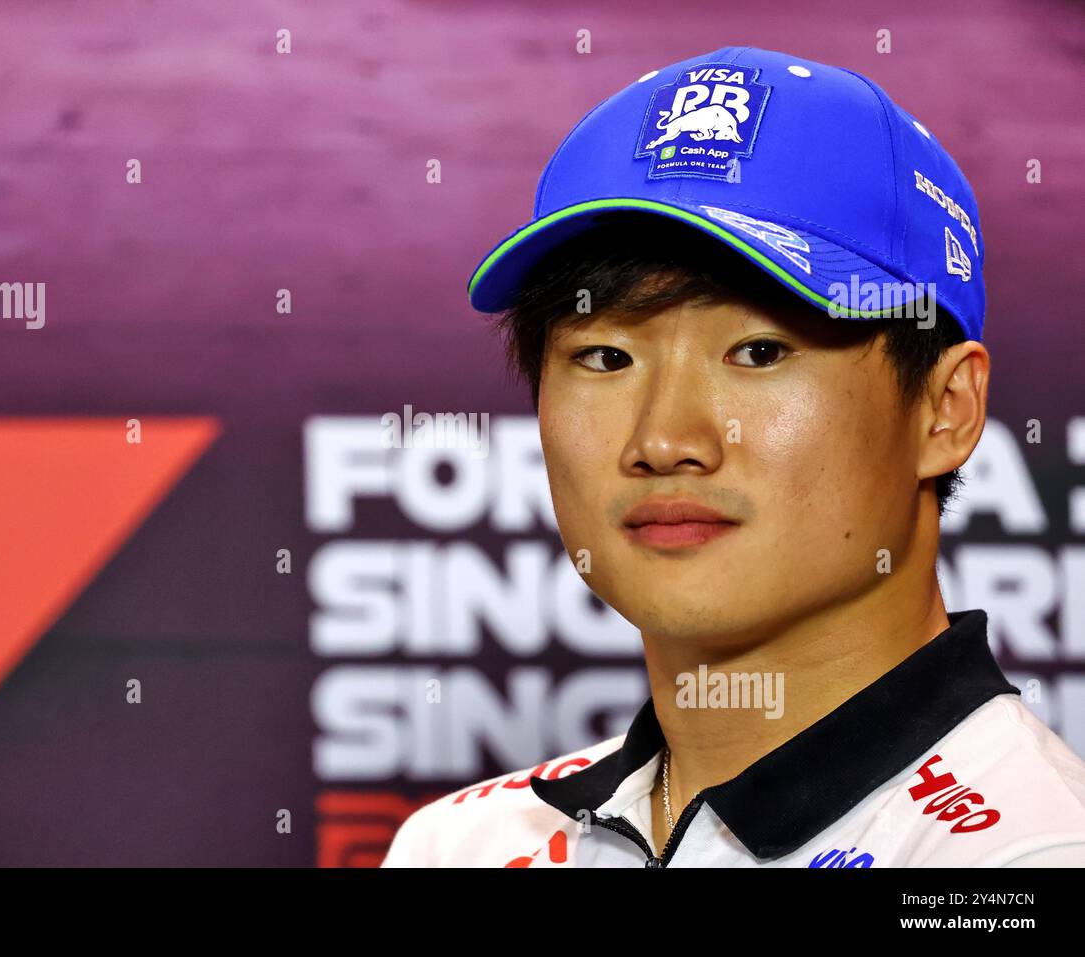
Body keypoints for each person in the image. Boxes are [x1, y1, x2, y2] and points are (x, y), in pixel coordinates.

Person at [380, 46, 1085, 867]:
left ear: (945, 409)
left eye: (757, 352)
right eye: (606, 358)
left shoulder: (1028, 857)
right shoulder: (459, 845)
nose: (663, 442)